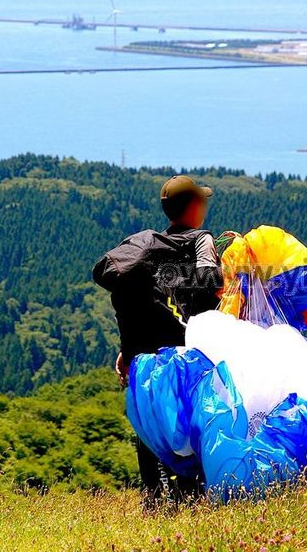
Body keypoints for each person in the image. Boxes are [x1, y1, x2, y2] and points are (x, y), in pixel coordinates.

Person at [92, 175, 222, 504]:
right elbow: (210, 281)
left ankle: (155, 498)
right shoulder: (200, 239)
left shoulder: (150, 251)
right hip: (188, 353)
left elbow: (142, 305)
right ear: (194, 206)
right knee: (194, 417)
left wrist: (127, 350)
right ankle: (195, 495)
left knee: (151, 421)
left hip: (145, 356)